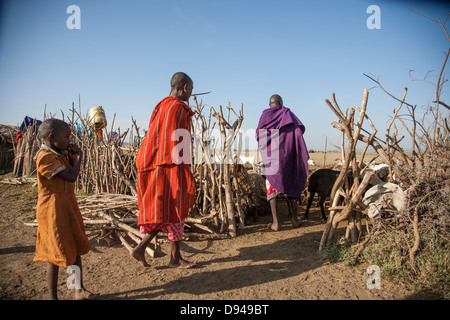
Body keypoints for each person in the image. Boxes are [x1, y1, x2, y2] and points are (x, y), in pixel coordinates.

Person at [131, 72, 197, 269]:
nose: (191, 94)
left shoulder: (162, 106)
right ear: (185, 87)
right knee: (174, 209)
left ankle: (172, 257)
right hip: (168, 165)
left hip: (152, 162)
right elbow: (179, 142)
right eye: (191, 89)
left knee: (163, 209)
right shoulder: (178, 108)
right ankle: (144, 248)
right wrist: (186, 169)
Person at [34, 118, 98, 300]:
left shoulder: (58, 154)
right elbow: (70, 177)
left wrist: (71, 157)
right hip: (52, 212)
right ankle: (53, 297)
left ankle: (77, 290)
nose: (70, 140)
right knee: (54, 255)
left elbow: (69, 174)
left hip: (68, 207)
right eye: (67, 137)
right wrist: (78, 158)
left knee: (74, 249)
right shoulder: (44, 157)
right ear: (52, 137)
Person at [256, 94, 309, 231]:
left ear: (270, 104)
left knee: (271, 188)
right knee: (291, 185)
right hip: (287, 157)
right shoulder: (288, 114)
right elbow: (298, 133)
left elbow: (260, 137)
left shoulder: (265, 117)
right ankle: (295, 220)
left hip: (272, 159)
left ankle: (275, 223)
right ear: (281, 103)